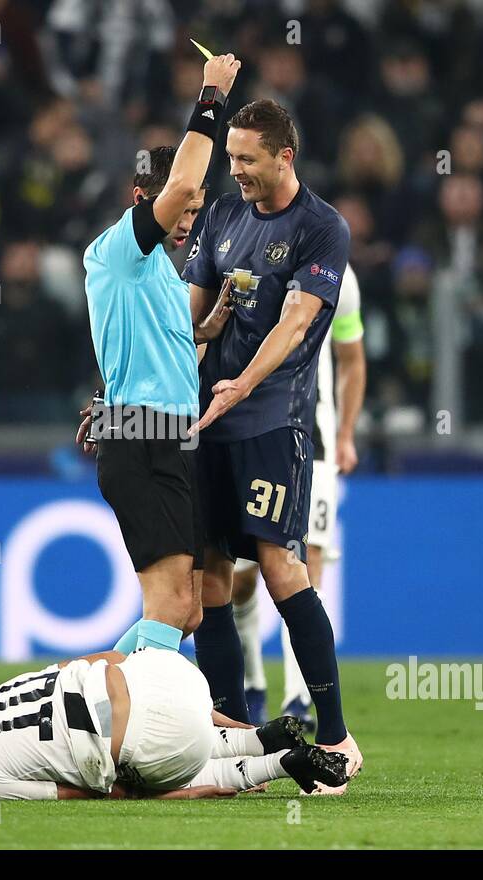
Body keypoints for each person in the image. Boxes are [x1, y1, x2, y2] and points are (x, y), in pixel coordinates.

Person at [181, 99, 362, 793]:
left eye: (247, 159)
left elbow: (294, 326)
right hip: (209, 423)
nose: (236, 171)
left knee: (281, 565)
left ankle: (338, 735)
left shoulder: (322, 229)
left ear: (285, 155)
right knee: (208, 575)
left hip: (272, 424)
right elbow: (190, 317)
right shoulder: (222, 218)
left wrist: (238, 383)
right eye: (230, 159)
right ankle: (233, 737)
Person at [79, 51, 241, 657]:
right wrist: (211, 97)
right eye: (184, 208)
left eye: (198, 214)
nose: (189, 223)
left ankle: (95, 692)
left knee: (189, 611)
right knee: (170, 606)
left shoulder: (163, 281)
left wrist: (205, 330)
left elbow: (153, 348)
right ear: (143, 196)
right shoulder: (118, 251)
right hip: (142, 439)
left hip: (170, 437)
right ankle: (86, 706)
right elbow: (181, 183)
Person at [0, 648, 349, 800]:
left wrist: (135, 793)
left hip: (167, 742)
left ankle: (282, 764)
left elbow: (73, 795)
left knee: (134, 784)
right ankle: (255, 735)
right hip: (172, 673)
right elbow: (95, 658)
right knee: (122, 697)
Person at [233, 262, 366, 728]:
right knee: (241, 576)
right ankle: (252, 682)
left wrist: (346, 432)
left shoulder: (338, 275)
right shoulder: (241, 259)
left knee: (303, 562)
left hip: (316, 443)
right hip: (247, 435)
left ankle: (299, 700)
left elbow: (351, 356)